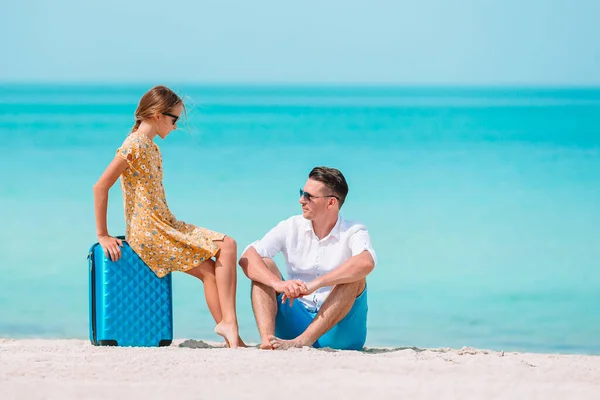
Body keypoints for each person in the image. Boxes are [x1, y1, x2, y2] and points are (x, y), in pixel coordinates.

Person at [93, 85, 244, 348]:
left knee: (216, 263)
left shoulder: (151, 147)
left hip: (164, 225)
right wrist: (103, 235)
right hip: (151, 233)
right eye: (174, 119)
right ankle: (230, 326)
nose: (175, 126)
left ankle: (231, 333)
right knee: (223, 250)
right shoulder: (135, 145)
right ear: (157, 114)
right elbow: (100, 186)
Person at [239, 166, 376, 350]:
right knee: (263, 264)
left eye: (309, 196)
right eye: (302, 193)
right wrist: (278, 284)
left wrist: (317, 283)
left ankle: (303, 341)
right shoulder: (290, 226)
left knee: (355, 276)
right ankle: (267, 342)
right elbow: (247, 257)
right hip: (293, 322)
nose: (301, 200)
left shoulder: (354, 230)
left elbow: (366, 263)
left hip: (338, 331)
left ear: (331, 203)